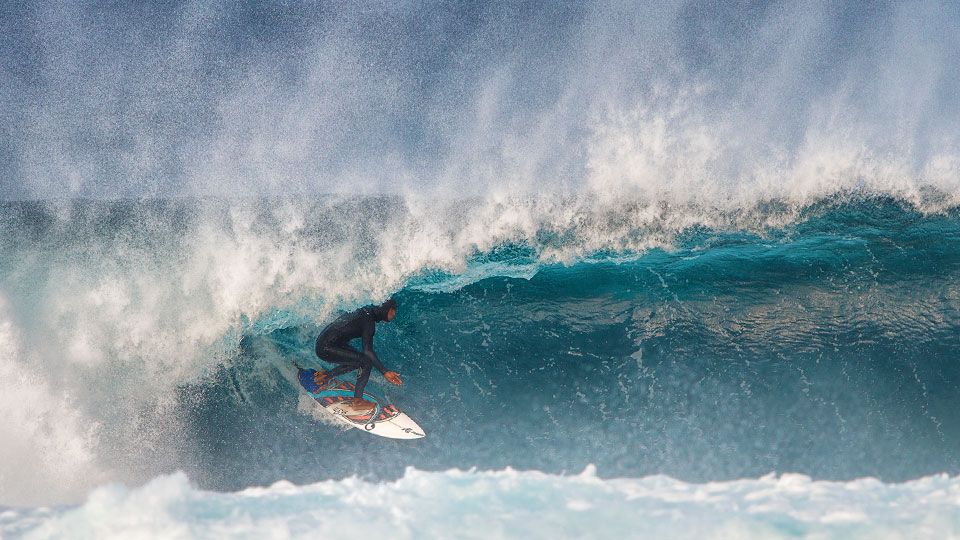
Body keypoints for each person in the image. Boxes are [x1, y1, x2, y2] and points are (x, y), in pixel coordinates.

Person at [314, 298, 403, 412]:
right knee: (366, 361)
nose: (393, 314)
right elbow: (368, 351)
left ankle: (324, 377)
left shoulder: (364, 312)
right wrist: (384, 371)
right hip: (326, 348)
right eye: (393, 310)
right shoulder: (368, 321)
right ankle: (357, 402)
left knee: (357, 360)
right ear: (387, 310)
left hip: (324, 344)